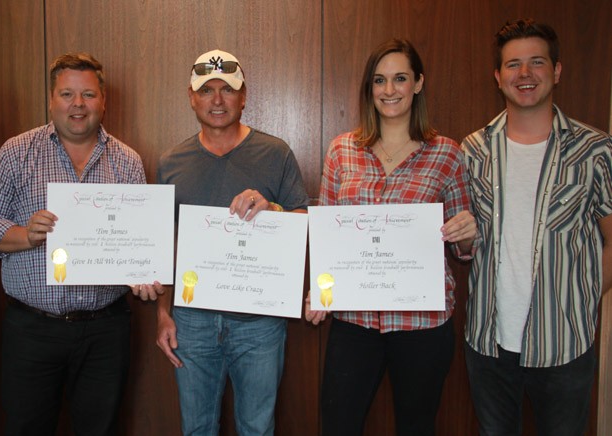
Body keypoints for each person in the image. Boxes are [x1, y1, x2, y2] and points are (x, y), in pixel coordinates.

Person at [0, 53, 161, 436]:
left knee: (100, 429)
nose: (78, 104)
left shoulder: (127, 162)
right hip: (33, 328)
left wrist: (144, 274)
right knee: (26, 428)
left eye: (88, 94)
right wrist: (26, 234)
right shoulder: (15, 152)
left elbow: (139, 240)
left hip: (106, 329)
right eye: (67, 94)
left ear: (103, 101)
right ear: (51, 100)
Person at [305, 39, 476, 436]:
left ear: (418, 83)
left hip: (422, 324)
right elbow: (328, 234)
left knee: (417, 427)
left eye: (400, 78)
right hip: (354, 320)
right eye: (379, 80)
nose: (389, 90)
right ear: (369, 88)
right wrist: (320, 289)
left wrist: (467, 234)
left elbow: (462, 250)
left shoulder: (446, 154)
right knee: (338, 425)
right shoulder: (342, 151)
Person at [462, 18, 612, 436]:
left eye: (536, 62)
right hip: (488, 342)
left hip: (565, 345)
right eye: (512, 65)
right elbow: (467, 242)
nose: (524, 75)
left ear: (557, 71)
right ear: (498, 76)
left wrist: (577, 298)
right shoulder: (472, 150)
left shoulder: (595, 151)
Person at [155, 49, 309, 435]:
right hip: (192, 320)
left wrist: (272, 207)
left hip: (259, 321)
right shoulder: (171, 161)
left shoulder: (276, 153)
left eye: (228, 89)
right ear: (191, 97)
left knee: (257, 428)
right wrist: (162, 312)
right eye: (207, 90)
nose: (218, 100)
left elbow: (305, 222)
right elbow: (164, 242)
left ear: (244, 96)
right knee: (197, 428)